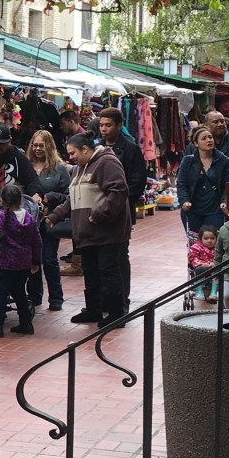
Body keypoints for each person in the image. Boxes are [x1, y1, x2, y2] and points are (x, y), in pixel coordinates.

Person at [45, 133, 131, 328]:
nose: (70, 158)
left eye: (72, 153)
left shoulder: (107, 162)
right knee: (90, 271)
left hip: (107, 232)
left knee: (108, 271)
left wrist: (99, 214)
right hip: (88, 233)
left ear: (85, 149)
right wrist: (55, 216)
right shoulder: (79, 169)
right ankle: (93, 310)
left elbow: (119, 191)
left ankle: (117, 314)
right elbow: (72, 198)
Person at [97, 107, 147, 314]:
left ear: (119, 126)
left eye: (108, 125)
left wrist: (120, 202)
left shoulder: (131, 149)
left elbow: (137, 181)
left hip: (121, 211)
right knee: (101, 257)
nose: (103, 130)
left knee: (119, 255)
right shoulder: (96, 147)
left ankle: (121, 299)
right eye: (101, 125)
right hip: (98, 210)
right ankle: (104, 298)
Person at [0, 183, 42, 337]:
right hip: (23, 264)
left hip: (3, 264)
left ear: (2, 201)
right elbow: (37, 242)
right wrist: (35, 261)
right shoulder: (30, 219)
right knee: (20, 292)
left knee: (0, 294)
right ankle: (26, 324)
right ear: (21, 201)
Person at [27, 129, 70, 311]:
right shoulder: (26, 165)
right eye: (35, 145)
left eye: (41, 145)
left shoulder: (59, 168)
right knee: (31, 259)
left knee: (49, 258)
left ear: (49, 147)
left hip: (49, 220)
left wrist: (48, 197)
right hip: (29, 222)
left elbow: (68, 195)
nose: (37, 149)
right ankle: (34, 296)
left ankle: (56, 297)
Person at [176, 125, 229, 237]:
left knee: (212, 242)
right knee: (195, 244)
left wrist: (224, 201)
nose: (209, 140)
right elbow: (182, 184)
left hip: (215, 209)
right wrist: (184, 200)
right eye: (204, 138)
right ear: (196, 143)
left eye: (210, 137)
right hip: (193, 209)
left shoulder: (224, 161)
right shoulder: (188, 161)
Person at [186, 111, 229, 182]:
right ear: (206, 125)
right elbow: (184, 174)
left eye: (222, 121)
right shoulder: (194, 147)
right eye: (215, 122)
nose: (220, 124)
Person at [187, 225, 219, 303]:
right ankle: (199, 291)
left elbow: (221, 257)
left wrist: (214, 263)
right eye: (206, 238)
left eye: (212, 238)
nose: (209, 241)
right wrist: (202, 264)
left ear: (216, 239)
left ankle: (213, 292)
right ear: (201, 239)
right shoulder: (196, 247)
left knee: (217, 268)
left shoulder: (218, 248)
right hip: (201, 268)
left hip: (214, 267)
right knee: (200, 269)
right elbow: (192, 258)